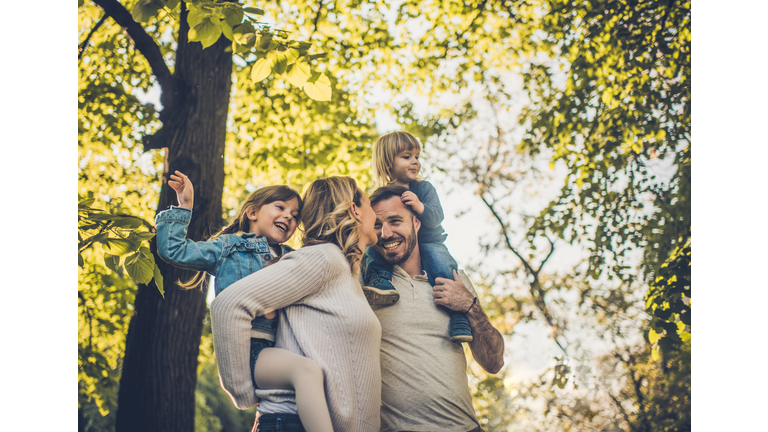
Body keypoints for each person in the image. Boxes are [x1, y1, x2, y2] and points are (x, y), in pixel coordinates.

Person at [155, 171, 334, 432]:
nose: (288, 217)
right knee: (306, 372)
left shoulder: (292, 257)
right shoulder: (229, 247)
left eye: (295, 216)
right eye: (280, 207)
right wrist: (185, 207)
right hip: (252, 351)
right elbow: (174, 250)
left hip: (284, 346)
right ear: (252, 212)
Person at [211, 176, 383, 432]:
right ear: (354, 209)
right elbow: (228, 304)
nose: (376, 215)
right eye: (370, 204)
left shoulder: (344, 270)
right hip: (291, 423)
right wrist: (243, 390)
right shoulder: (323, 258)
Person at [367, 184, 506, 432]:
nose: (385, 233)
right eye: (377, 225)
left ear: (417, 224)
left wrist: (470, 306)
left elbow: (493, 362)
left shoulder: (454, 280)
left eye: (395, 221)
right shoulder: (367, 284)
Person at [361, 131, 473, 343]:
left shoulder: (423, 188)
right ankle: (380, 281)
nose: (415, 162)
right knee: (372, 249)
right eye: (406, 157)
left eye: (417, 157)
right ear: (387, 163)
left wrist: (420, 207)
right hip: (397, 246)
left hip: (429, 242)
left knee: (442, 266)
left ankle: (458, 318)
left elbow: (437, 217)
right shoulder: (380, 196)